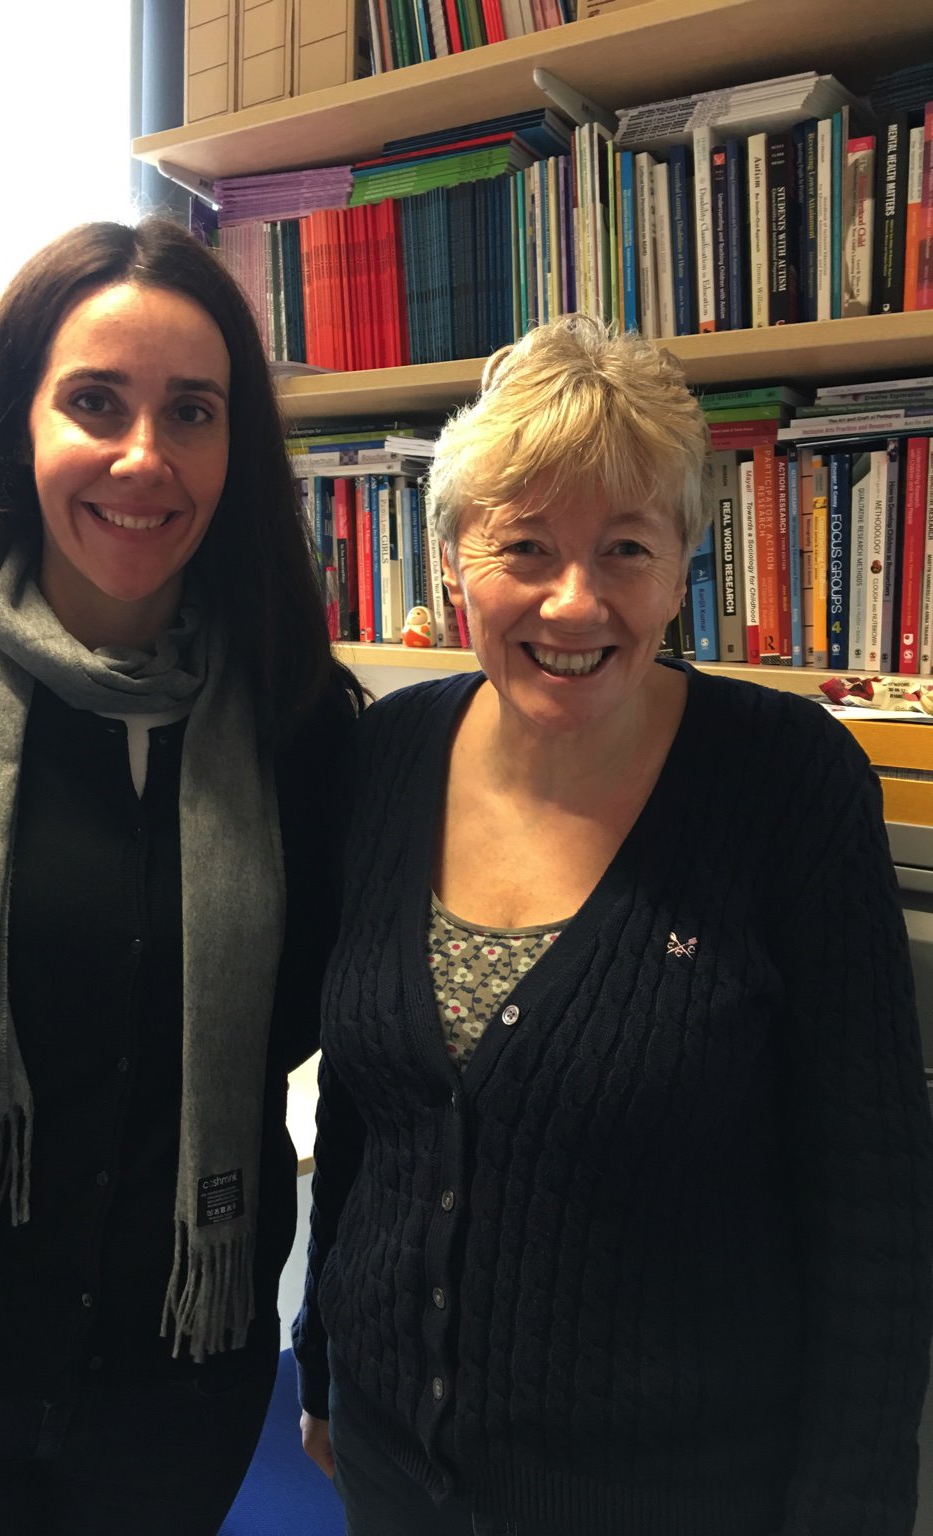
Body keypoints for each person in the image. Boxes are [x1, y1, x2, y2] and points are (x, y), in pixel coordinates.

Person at [296, 316, 933, 1536]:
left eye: (625, 548)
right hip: (390, 1468)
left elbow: (874, 1202)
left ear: (683, 562)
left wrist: (847, 1506)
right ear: (454, 561)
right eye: (525, 546)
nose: (574, 602)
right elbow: (366, 1112)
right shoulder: (387, 756)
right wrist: (324, 1361)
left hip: (675, 1495)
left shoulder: (786, 782)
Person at [0, 214, 361, 1535]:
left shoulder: (302, 727)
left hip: (172, 1389)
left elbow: (299, 1021)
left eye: (192, 411)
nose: (144, 457)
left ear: (235, 449)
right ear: (19, 426)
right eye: (95, 402)